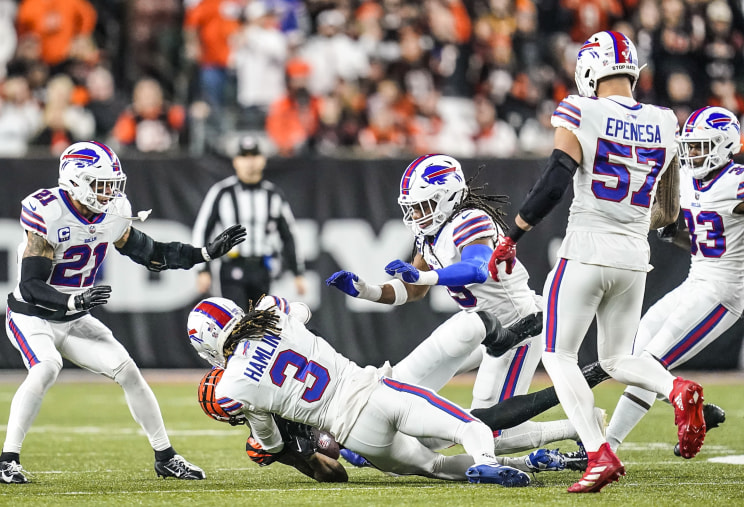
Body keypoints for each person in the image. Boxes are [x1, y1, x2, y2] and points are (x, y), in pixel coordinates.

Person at [488, 31, 707, 493]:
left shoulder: (579, 108)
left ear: (589, 68)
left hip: (587, 245)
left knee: (559, 354)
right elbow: (666, 210)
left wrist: (513, 235)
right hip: (634, 254)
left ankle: (597, 452)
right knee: (617, 357)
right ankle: (677, 390)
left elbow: (554, 182)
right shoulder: (665, 121)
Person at [0, 141, 247, 484]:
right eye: (101, 183)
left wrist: (204, 253)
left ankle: (166, 456)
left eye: (112, 183)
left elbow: (152, 254)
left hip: (73, 317)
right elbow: (31, 285)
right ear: (76, 181)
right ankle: (7, 461)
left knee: (128, 371)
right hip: (31, 313)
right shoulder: (49, 212)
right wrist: (74, 302)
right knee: (46, 367)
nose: (109, 191)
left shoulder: (112, 213)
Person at [326, 153, 589, 457]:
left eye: (423, 205)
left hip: (517, 329)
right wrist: (367, 291)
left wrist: (428, 275)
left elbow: (477, 267)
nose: (417, 214)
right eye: (412, 208)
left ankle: (579, 427)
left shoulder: (471, 220)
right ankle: (381, 437)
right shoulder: (430, 234)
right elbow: (413, 290)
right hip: (478, 327)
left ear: (447, 197)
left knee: (490, 432)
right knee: (403, 386)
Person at [186, 294, 533, 486]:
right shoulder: (272, 312)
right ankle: (486, 460)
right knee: (464, 425)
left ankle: (513, 465)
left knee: (435, 466)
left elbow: (271, 444)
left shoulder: (231, 387)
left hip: (354, 434)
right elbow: (303, 310)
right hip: (372, 390)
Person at [605, 106, 741, 453]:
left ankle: (605, 447)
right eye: (691, 146)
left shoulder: (736, 182)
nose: (693, 153)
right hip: (696, 281)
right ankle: (696, 410)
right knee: (634, 359)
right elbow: (697, 242)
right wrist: (671, 232)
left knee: (649, 363)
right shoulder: (686, 177)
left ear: (726, 145)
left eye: (702, 146)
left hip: (723, 292)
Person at [192, 135, 306, 308]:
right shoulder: (222, 192)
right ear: (236, 161)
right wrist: (202, 269)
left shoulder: (273, 194)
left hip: (262, 268)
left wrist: (298, 272)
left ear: (263, 160)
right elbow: (202, 230)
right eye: (244, 156)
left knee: (259, 325)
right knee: (235, 324)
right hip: (232, 266)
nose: (249, 162)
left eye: (254, 156)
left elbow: (288, 234)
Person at [196, 364, 348, 483]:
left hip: (327, 401)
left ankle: (355, 451)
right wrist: (306, 455)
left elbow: (337, 474)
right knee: (257, 450)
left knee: (328, 445)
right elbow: (335, 475)